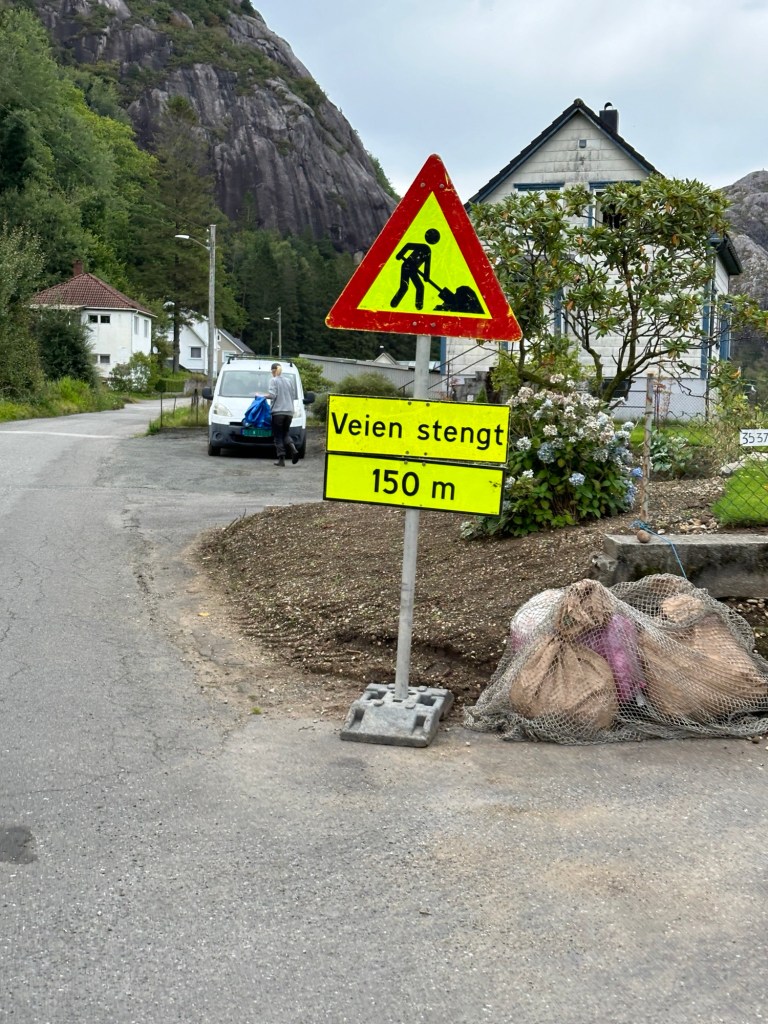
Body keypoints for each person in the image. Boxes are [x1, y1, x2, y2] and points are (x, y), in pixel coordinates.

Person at [267, 362, 299, 466]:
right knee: (285, 433)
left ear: (273, 371)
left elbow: (272, 395)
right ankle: (294, 449)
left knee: (278, 436)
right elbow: (292, 395)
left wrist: (261, 396)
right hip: (289, 412)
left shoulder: (273, 380)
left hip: (278, 412)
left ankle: (281, 460)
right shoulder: (289, 381)